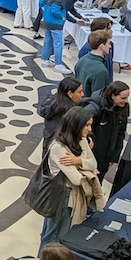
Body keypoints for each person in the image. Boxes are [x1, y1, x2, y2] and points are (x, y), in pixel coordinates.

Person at [39, 107, 104, 250]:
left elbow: (94, 163)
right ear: (76, 125)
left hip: (73, 195)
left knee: (60, 236)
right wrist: (90, 171)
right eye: (86, 125)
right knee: (53, 237)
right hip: (61, 196)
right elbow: (76, 178)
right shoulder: (58, 147)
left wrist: (79, 161)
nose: (89, 129)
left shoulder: (82, 140)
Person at [81, 80, 130, 181]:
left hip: (106, 157)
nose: (126, 101)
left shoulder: (123, 108)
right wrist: (89, 136)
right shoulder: (94, 109)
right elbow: (80, 126)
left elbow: (121, 134)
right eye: (123, 98)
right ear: (112, 96)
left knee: (98, 183)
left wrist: (114, 157)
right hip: (92, 155)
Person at [37, 76, 84, 151]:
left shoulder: (51, 104)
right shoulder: (69, 113)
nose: (82, 94)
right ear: (70, 93)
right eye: (79, 92)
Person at [39, 0, 73, 75]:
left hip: (47, 21)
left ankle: (45, 60)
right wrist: (62, 16)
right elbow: (55, 10)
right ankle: (58, 65)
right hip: (56, 23)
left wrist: (46, 13)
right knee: (58, 44)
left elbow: (40, 2)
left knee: (47, 41)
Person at [76, 17, 114, 82]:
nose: (112, 31)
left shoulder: (110, 45)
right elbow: (83, 73)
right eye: (109, 28)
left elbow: (110, 65)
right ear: (102, 31)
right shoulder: (86, 50)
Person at [74, 29, 110, 97]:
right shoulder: (101, 71)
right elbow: (99, 98)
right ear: (102, 46)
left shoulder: (82, 60)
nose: (110, 46)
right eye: (108, 43)